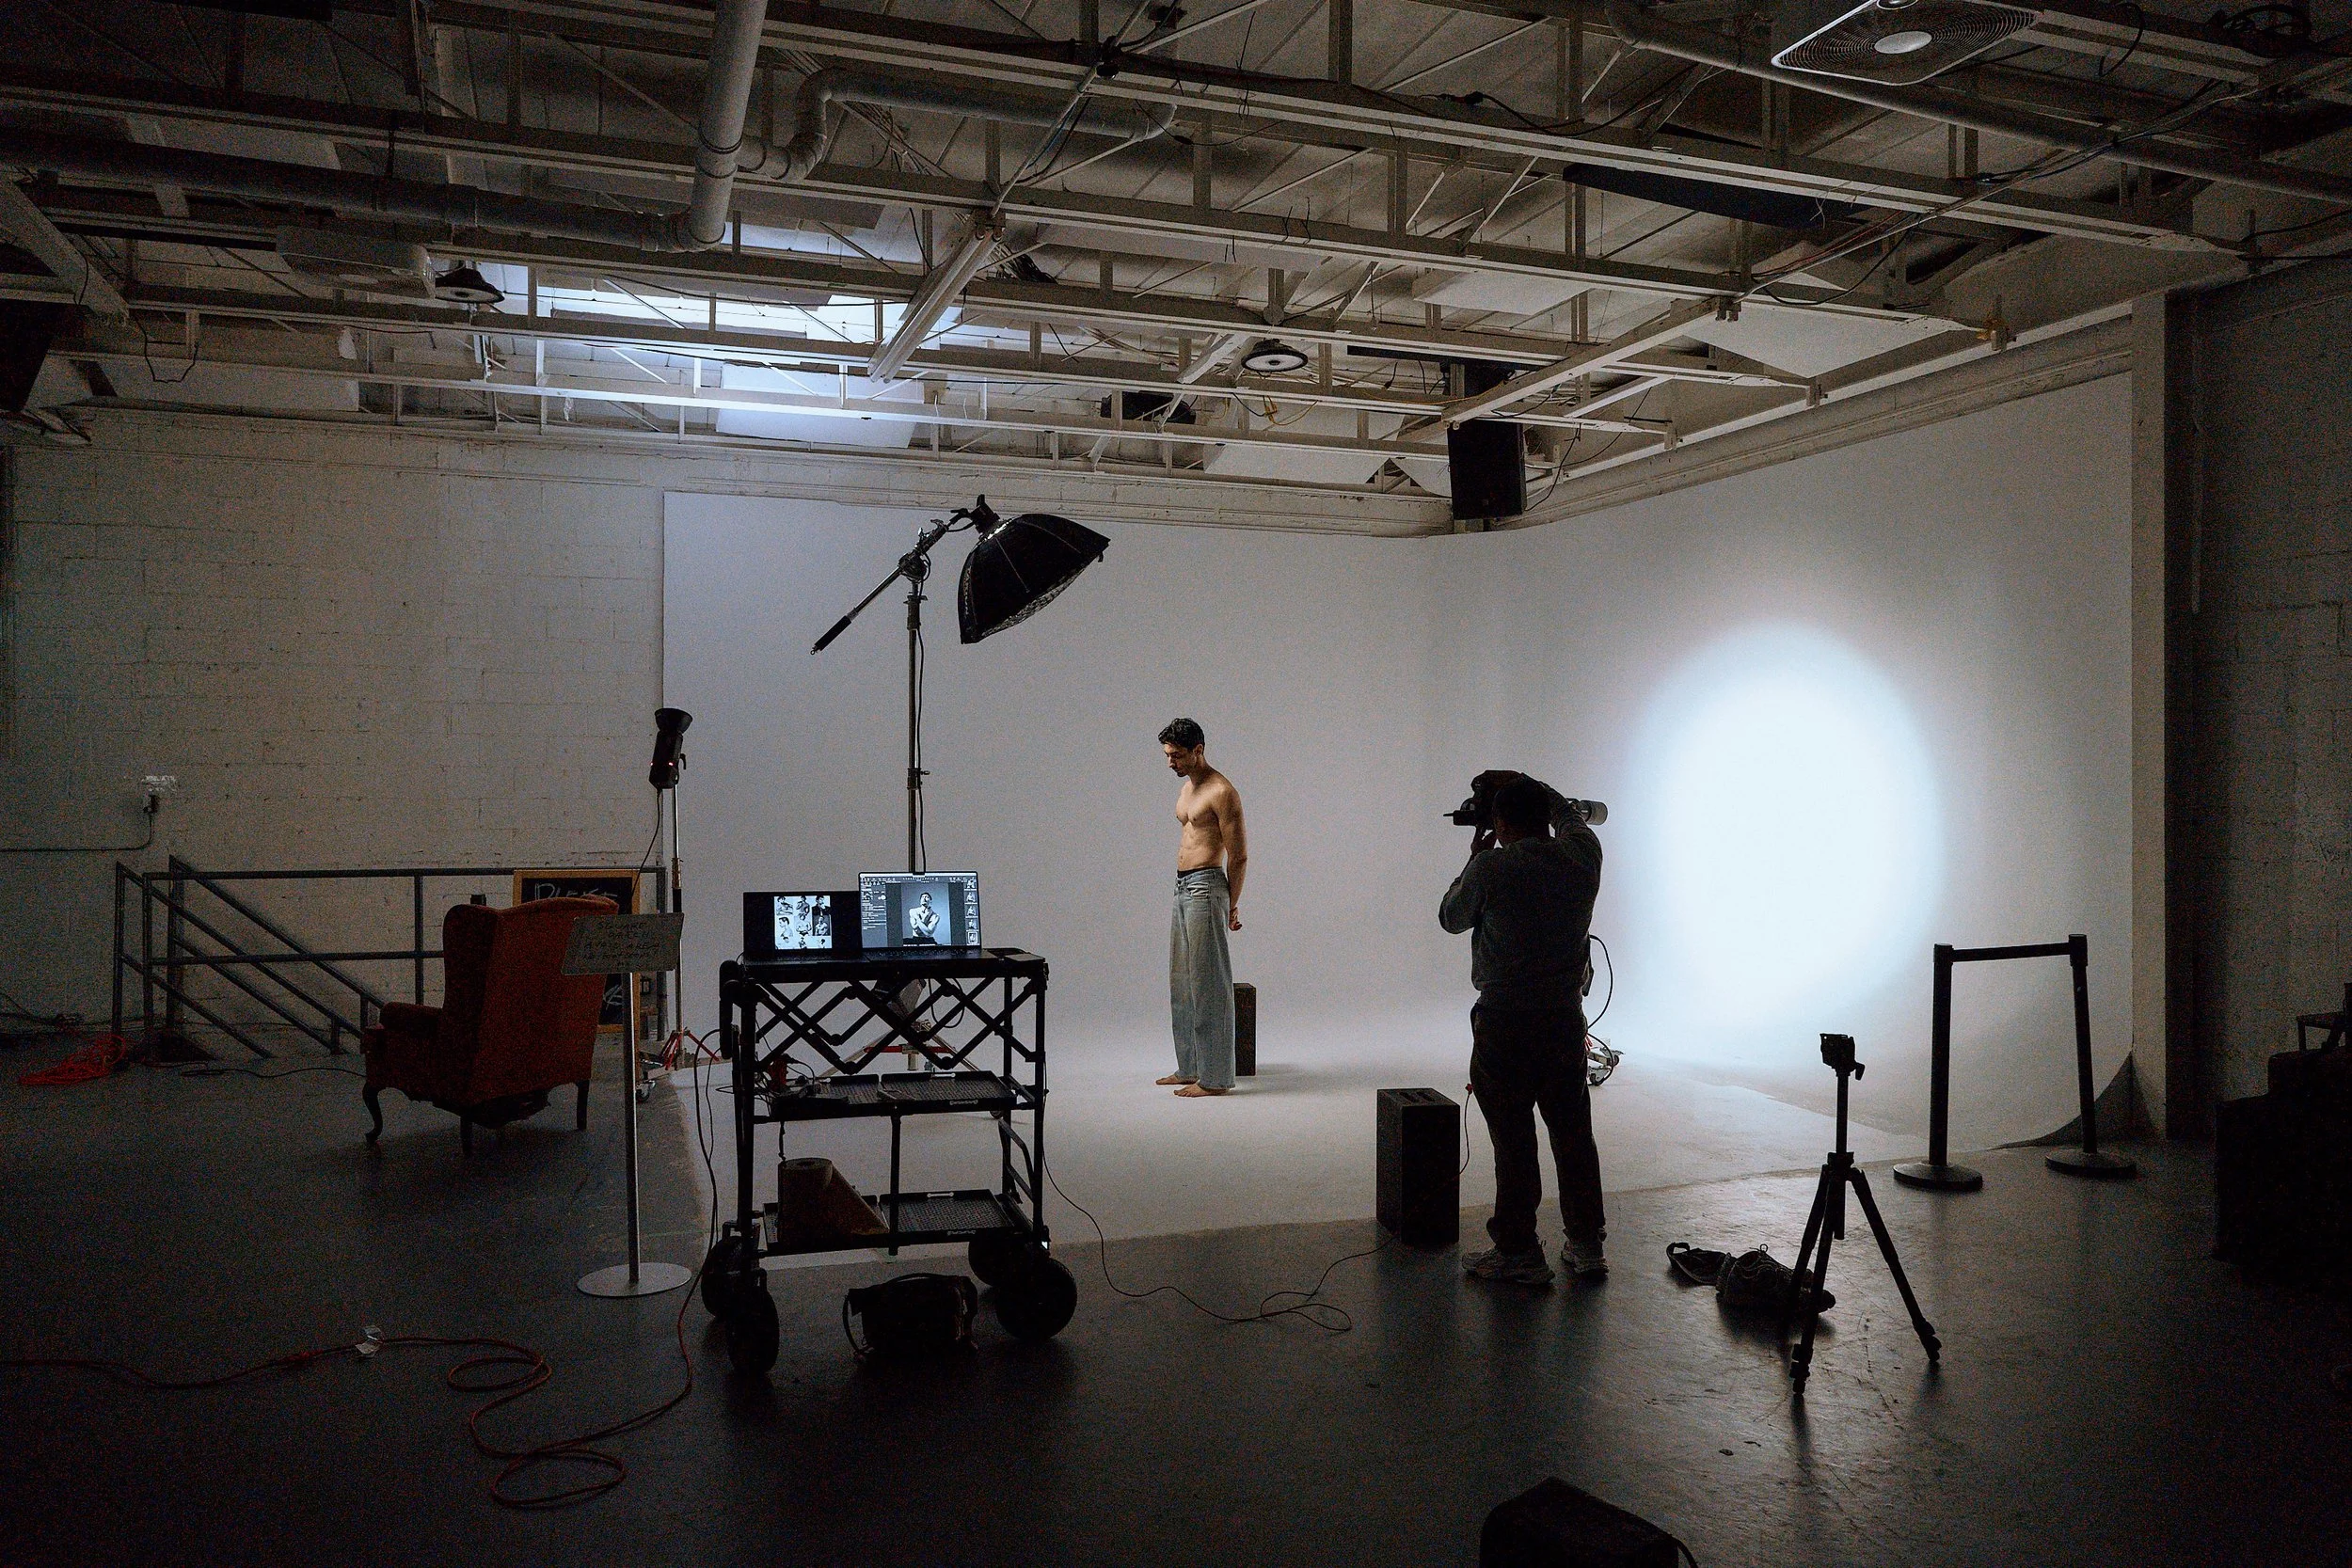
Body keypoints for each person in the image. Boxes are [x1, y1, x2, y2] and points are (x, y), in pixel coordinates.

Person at [1439, 774, 1605, 1287]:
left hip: (1505, 1022)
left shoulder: (1492, 866)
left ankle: (1518, 1251)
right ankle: (1586, 1245)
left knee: (1513, 1139)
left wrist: (1474, 855)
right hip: (1562, 1019)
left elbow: (1450, 917)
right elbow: (1572, 820)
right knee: (1573, 1134)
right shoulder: (1582, 858)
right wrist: (1530, 784)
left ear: (1501, 823)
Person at [1158, 718, 1247, 1098]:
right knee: (1182, 983)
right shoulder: (1185, 789)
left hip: (1207, 887)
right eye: (1167, 755)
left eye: (1177, 755)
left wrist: (1232, 905)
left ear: (1199, 750)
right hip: (1182, 887)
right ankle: (1190, 1067)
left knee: (1208, 983)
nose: (1171, 763)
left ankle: (1215, 1078)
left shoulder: (1222, 791)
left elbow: (1239, 855)